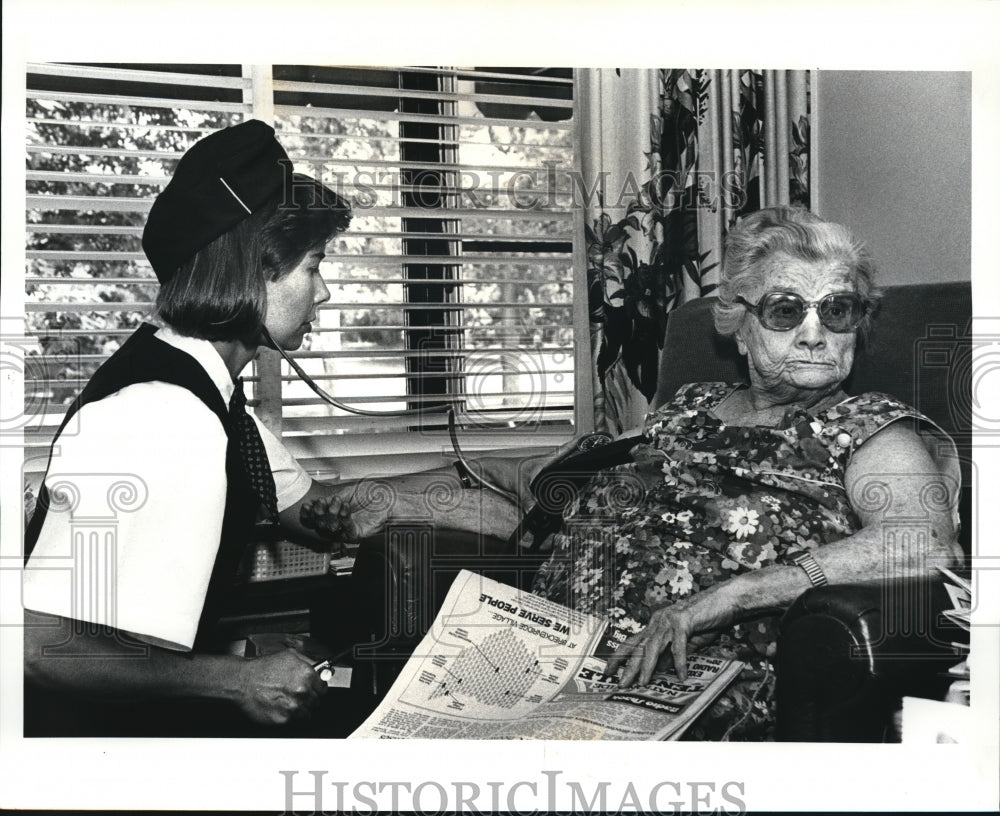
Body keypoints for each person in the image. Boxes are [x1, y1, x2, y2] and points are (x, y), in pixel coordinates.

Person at [517, 205, 963, 739]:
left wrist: (730, 597)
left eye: (837, 310)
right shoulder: (689, 406)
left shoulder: (867, 427)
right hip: (542, 661)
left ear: (857, 327)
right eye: (785, 311)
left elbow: (923, 543)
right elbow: (566, 486)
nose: (814, 334)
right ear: (740, 328)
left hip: (682, 683)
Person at [22, 120, 368, 734]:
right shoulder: (163, 413)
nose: (325, 291)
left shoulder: (208, 393)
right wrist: (235, 678)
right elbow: (43, 647)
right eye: (314, 267)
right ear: (252, 272)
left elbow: (307, 503)